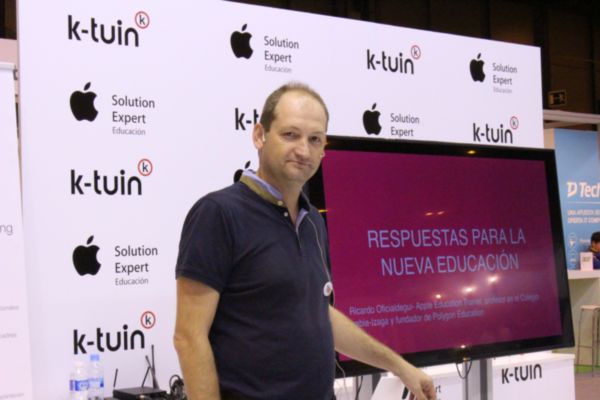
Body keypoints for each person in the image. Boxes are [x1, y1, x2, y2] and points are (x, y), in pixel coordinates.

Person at [173, 82, 436, 400]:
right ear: (259, 135)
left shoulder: (312, 220)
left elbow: (319, 313)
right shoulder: (218, 214)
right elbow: (189, 336)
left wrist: (400, 367)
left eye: (315, 139)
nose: (303, 150)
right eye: (290, 135)